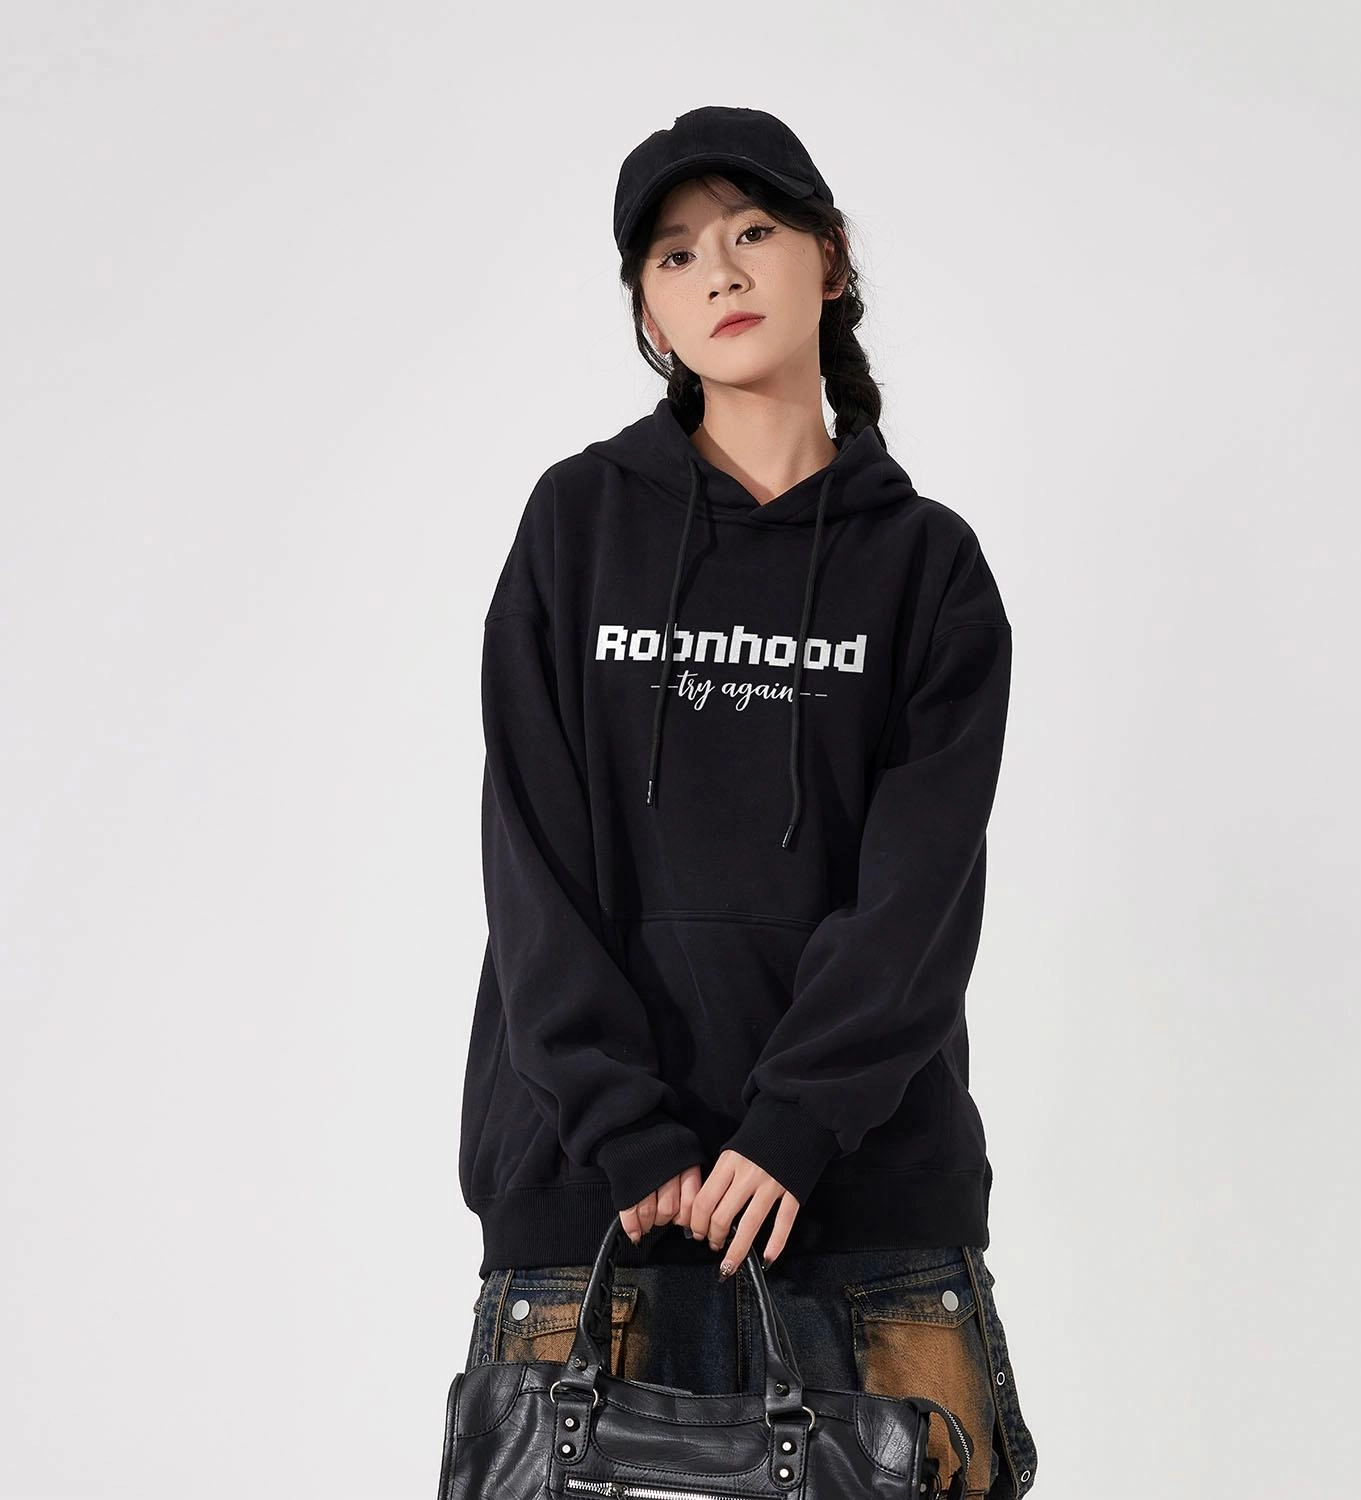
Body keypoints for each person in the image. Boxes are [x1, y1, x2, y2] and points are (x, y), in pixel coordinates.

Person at [456, 106, 1039, 1498]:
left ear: (828, 261)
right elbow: (530, 857)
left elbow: (919, 897)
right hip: (598, 1209)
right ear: (649, 315)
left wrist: (790, 1126)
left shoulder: (929, 571)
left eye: (752, 231)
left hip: (864, 1209)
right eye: (673, 255)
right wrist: (624, 1125)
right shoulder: (578, 526)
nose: (716, 271)